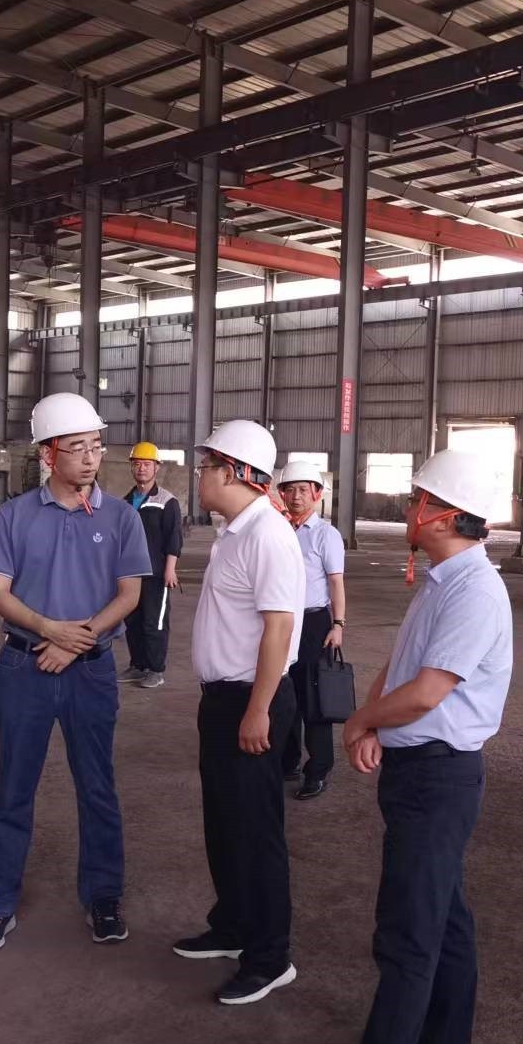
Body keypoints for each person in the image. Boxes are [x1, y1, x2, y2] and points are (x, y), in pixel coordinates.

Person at [285, 449, 513, 1044]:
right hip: (421, 769)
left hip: (440, 778)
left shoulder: (475, 591)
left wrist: (360, 720)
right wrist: (375, 721)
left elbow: (429, 692)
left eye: (418, 501)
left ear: (444, 516)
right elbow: (402, 664)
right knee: (446, 919)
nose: (410, 510)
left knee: (407, 934)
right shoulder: (443, 580)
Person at [0, 392, 152, 952]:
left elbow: (130, 594)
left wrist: (76, 642)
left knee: (97, 788)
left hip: (90, 671)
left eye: (96, 446)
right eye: (78, 448)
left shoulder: (122, 518)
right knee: (13, 789)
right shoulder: (15, 516)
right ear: (49, 454)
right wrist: (49, 629)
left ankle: (104, 897)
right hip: (23, 667)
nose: (92, 458)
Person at [172, 421, 306, 1006]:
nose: (199, 476)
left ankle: (270, 958)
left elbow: (279, 629)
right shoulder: (235, 532)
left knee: (255, 833)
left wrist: (259, 710)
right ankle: (231, 926)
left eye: (205, 467)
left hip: (254, 700)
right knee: (224, 824)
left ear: (231, 472)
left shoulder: (268, 535)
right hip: (223, 700)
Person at [276, 458, 347, 801]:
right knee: (284, 692)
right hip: (282, 621)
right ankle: (288, 761)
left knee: (314, 698)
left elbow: (336, 582)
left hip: (314, 623)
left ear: (317, 494)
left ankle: (317, 770)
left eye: (303, 490)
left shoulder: (325, 535)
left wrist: (338, 624)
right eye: (290, 490)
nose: (296, 496)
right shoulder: (278, 530)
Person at [120, 441, 183, 690]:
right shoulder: (126, 502)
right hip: (130, 574)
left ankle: (155, 670)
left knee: (154, 622)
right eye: (137, 464)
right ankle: (138, 666)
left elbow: (173, 537)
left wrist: (170, 569)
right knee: (133, 621)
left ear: (156, 468)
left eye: (146, 464)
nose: (141, 468)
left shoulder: (167, 501)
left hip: (156, 574)